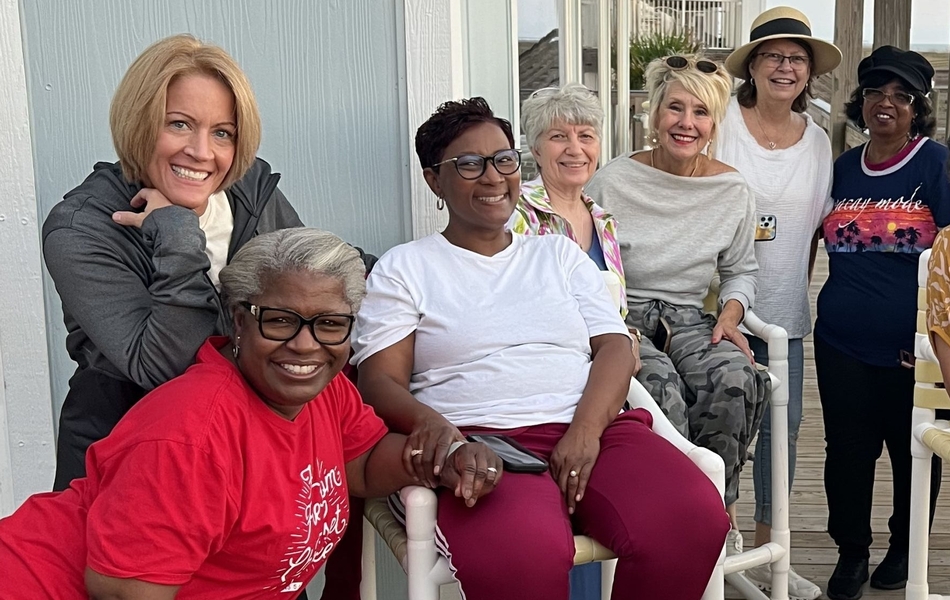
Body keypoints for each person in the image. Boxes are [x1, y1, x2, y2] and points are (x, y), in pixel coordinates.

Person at [351, 96, 729, 600]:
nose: (493, 177)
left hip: (592, 428)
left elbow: (615, 347)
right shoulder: (406, 268)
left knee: (692, 519)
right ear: (434, 180)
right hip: (481, 445)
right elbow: (379, 380)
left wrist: (585, 432)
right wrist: (440, 432)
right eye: (470, 164)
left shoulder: (558, 254)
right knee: (523, 554)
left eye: (504, 160)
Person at [0, 228, 500, 599]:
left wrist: (443, 460)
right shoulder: (191, 436)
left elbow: (363, 464)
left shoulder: (321, 391)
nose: (305, 345)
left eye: (330, 324)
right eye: (280, 320)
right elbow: (123, 593)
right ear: (239, 321)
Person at [585, 54, 766, 550]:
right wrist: (610, 325)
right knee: (658, 389)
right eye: (675, 108)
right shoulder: (613, 180)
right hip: (625, 316)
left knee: (736, 378)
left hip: (691, 317)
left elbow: (741, 270)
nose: (687, 123)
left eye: (701, 112)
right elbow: (584, 261)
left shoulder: (732, 189)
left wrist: (731, 314)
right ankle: (669, 522)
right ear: (655, 113)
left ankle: (716, 510)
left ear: (714, 122)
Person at [814, 46, 950, 600]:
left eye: (901, 95)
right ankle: (851, 552)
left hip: (912, 348)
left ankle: (904, 546)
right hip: (840, 342)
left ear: (918, 108)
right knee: (846, 452)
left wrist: (932, 340)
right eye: (875, 92)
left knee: (912, 451)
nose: (886, 103)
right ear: (861, 101)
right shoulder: (843, 168)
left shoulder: (937, 164)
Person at [718, 7, 841, 598]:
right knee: (717, 433)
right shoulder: (720, 121)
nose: (785, 67)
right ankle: (720, 547)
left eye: (796, 58)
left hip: (785, 317)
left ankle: (774, 558)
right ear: (753, 65)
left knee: (780, 438)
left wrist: (794, 293)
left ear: (809, 71)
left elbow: (814, 230)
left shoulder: (818, 140)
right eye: (773, 56)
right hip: (716, 314)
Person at [511, 83, 627, 317]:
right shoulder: (516, 214)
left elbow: (616, 310)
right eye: (559, 136)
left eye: (586, 136)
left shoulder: (603, 221)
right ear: (536, 150)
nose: (575, 149)